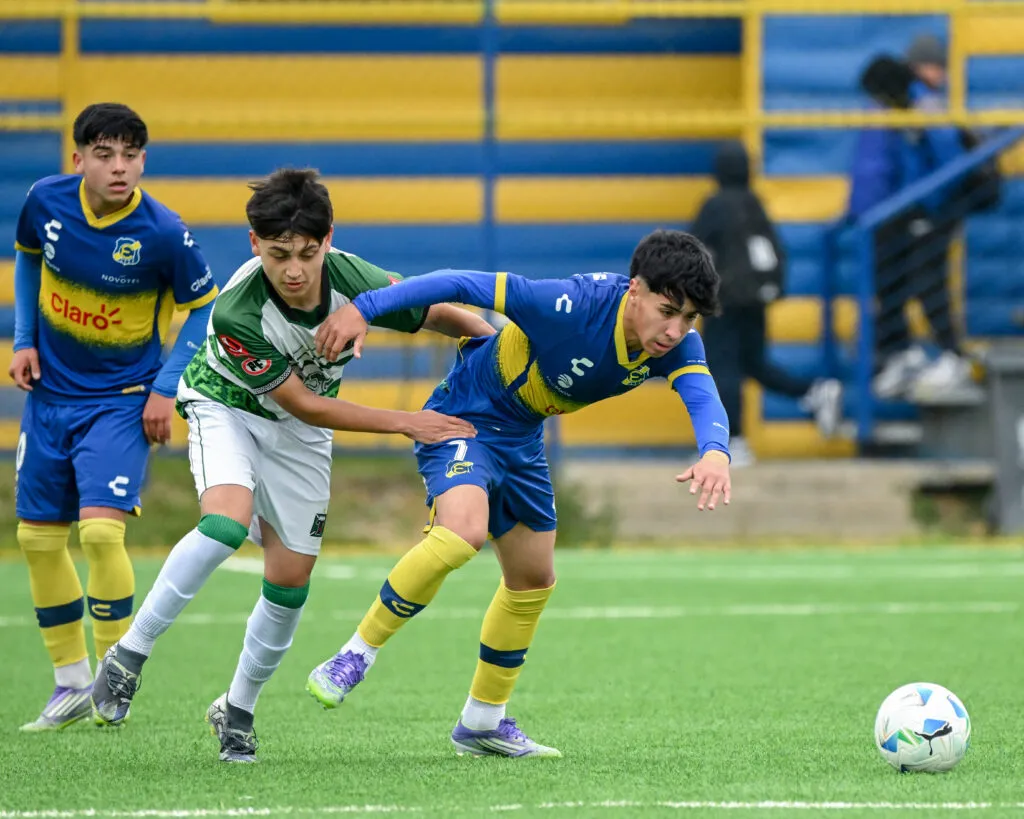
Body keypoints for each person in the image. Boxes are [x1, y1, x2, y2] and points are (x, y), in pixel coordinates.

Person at [90, 168, 494, 763]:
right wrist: (409, 420)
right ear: (256, 245)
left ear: (328, 239)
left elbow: (434, 311)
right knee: (227, 522)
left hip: (300, 433)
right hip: (226, 405)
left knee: (290, 581)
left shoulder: (350, 275)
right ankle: (129, 653)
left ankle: (238, 710)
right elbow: (305, 400)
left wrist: (491, 346)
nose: (295, 270)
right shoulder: (238, 313)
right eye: (279, 255)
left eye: (307, 252)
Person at [306, 228, 732, 758]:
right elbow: (461, 282)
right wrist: (363, 309)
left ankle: (482, 723)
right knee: (462, 533)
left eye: (689, 318)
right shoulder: (570, 305)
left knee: (533, 578)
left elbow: (702, 395)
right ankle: (353, 656)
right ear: (634, 290)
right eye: (668, 311)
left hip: (523, 438)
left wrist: (716, 451)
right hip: (466, 417)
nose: (676, 329)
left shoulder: (676, 343)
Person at [9, 102, 219, 731]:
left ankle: (113, 678)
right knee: (36, 540)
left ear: (143, 161)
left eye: (131, 155)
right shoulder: (44, 202)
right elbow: (26, 258)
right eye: (105, 154)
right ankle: (69, 682)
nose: (119, 167)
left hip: (122, 402)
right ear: (79, 159)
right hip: (49, 397)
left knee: (101, 533)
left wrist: (165, 388)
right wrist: (23, 338)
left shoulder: (163, 233)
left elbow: (202, 309)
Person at [691, 141, 843, 465]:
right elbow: (775, 249)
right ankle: (812, 392)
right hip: (757, 297)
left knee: (723, 368)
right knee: (754, 363)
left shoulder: (715, 206)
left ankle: (732, 442)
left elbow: (693, 251)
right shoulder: (754, 203)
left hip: (725, 299)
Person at [850, 36, 971, 399]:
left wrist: (923, 205)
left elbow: (945, 164)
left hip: (916, 208)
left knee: (920, 280)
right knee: (892, 285)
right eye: (928, 66)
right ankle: (903, 354)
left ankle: (947, 355)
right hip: (896, 210)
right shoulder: (901, 103)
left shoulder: (922, 105)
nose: (934, 74)